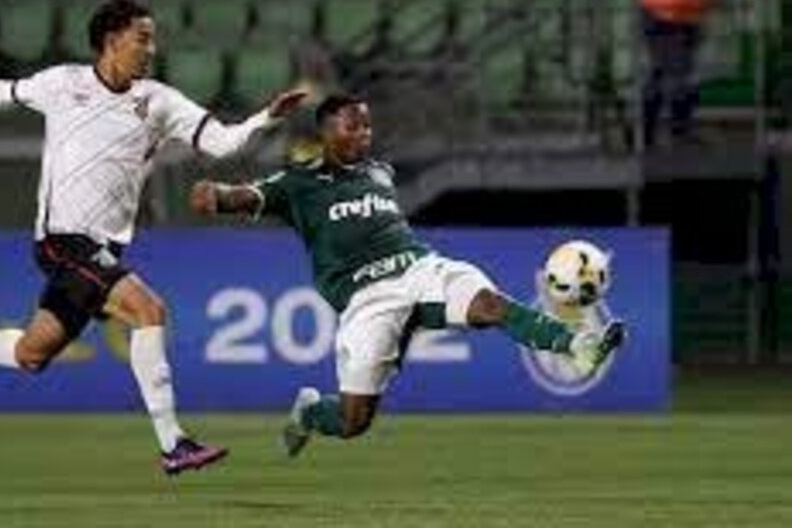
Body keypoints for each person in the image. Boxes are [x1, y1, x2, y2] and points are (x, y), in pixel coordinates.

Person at [0, 0, 307, 475]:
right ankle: (173, 443)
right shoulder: (62, 83)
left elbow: (220, 142)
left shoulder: (158, 101)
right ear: (112, 41)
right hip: (61, 239)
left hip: (105, 248)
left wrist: (266, 117)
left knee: (33, 354)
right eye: (143, 37)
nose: (151, 49)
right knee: (149, 310)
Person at [188, 94, 625, 458]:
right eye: (351, 128)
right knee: (353, 421)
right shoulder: (298, 184)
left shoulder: (381, 173)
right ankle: (308, 412)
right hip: (366, 298)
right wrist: (215, 194)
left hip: (419, 267)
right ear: (325, 133)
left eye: (367, 128)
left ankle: (578, 346)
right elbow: (241, 196)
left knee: (490, 304)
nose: (363, 135)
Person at [634, 0, 712, 148]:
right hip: (674, 13)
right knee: (678, 75)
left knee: (660, 73)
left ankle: (646, 132)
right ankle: (679, 133)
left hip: (656, 9)